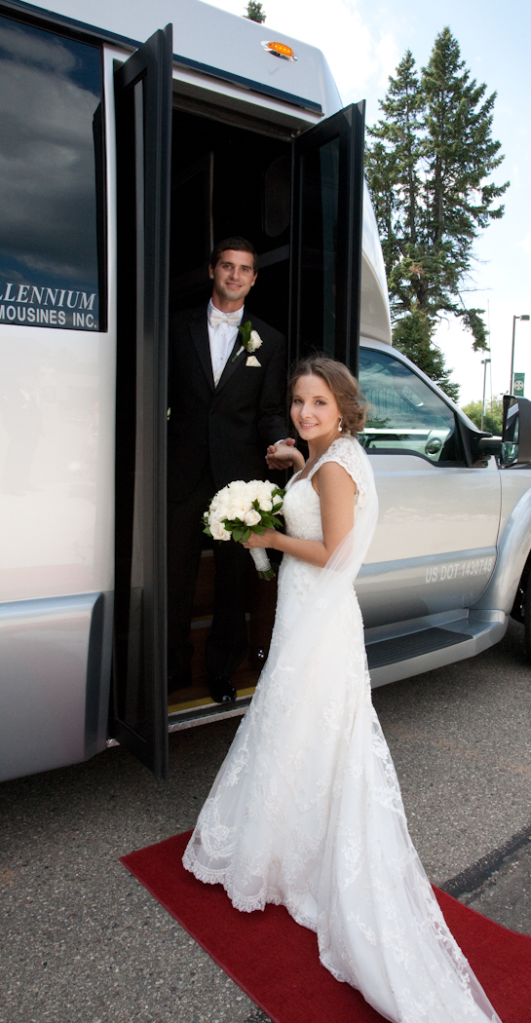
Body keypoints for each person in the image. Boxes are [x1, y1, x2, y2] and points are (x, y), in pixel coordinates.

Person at [183, 356, 502, 1022]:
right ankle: (289, 839)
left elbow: (331, 549)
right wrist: (294, 460)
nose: (305, 412)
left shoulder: (333, 468)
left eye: (318, 403)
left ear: (344, 409)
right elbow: (323, 505)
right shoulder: (329, 457)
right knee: (300, 723)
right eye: (299, 401)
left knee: (300, 719)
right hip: (312, 609)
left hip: (319, 612)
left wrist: (269, 534)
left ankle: (288, 847)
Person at [167, 237, 292, 704]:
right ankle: (172, 669)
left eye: (244, 269)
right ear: (212, 271)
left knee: (233, 579)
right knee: (175, 575)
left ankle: (222, 671)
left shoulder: (270, 341)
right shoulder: (175, 327)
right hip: (182, 471)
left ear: (254, 279)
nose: (235, 275)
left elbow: (269, 410)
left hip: (239, 478)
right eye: (227, 266)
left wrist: (279, 442)